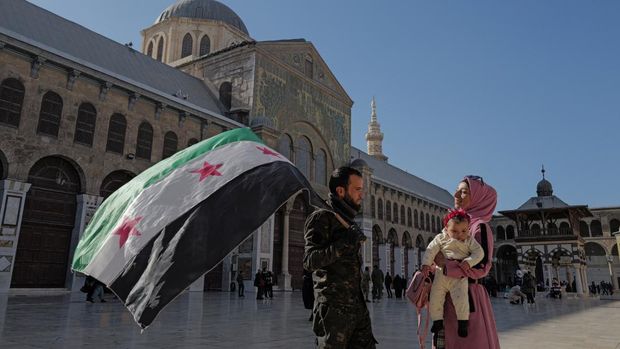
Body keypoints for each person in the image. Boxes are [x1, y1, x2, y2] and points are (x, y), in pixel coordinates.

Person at [303, 166, 377, 348]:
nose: (362, 195)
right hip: (333, 311)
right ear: (341, 191)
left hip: (357, 307)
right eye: (357, 190)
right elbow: (309, 261)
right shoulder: (321, 218)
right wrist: (344, 243)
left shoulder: (346, 220)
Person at [432, 176, 500, 349]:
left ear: (478, 198)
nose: (456, 194)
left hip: (468, 298)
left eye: (464, 192)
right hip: (445, 297)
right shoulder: (452, 226)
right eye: (457, 190)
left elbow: (481, 266)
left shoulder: (479, 227)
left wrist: (448, 267)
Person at [421, 209, 484, 337]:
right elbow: (430, 250)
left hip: (459, 275)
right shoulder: (440, 237)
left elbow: (479, 253)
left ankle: (463, 323)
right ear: (446, 228)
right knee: (435, 298)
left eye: (464, 231)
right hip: (441, 274)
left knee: (461, 300)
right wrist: (426, 264)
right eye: (454, 231)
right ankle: (437, 321)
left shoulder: (469, 240)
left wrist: (469, 262)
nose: (459, 234)